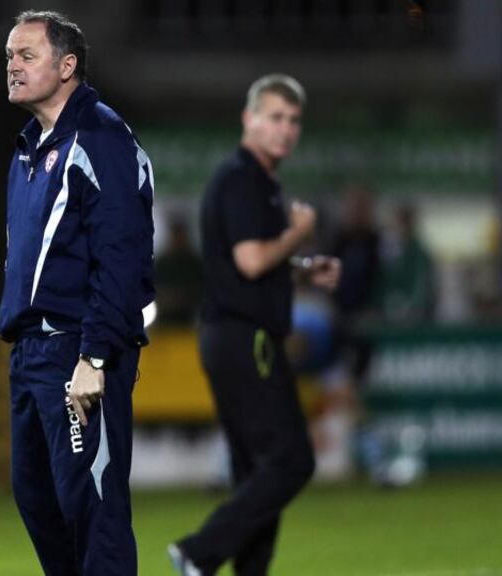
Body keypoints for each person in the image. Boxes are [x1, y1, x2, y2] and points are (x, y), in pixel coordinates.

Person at [0, 10, 155, 575]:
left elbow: (122, 259)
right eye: (10, 57)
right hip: (31, 354)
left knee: (93, 509)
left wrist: (93, 357)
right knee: (39, 502)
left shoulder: (101, 139)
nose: (12, 67)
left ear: (67, 66)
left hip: (77, 352)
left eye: (26, 56)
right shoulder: (28, 148)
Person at [169, 74, 341, 576]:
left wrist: (306, 265)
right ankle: (199, 551)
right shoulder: (242, 179)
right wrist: (298, 233)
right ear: (249, 119)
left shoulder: (254, 181)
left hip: (233, 337)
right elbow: (249, 261)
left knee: (256, 473)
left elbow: (248, 261)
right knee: (291, 462)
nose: (285, 129)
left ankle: (235, 567)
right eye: (275, 117)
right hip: (246, 340)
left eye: (293, 121)